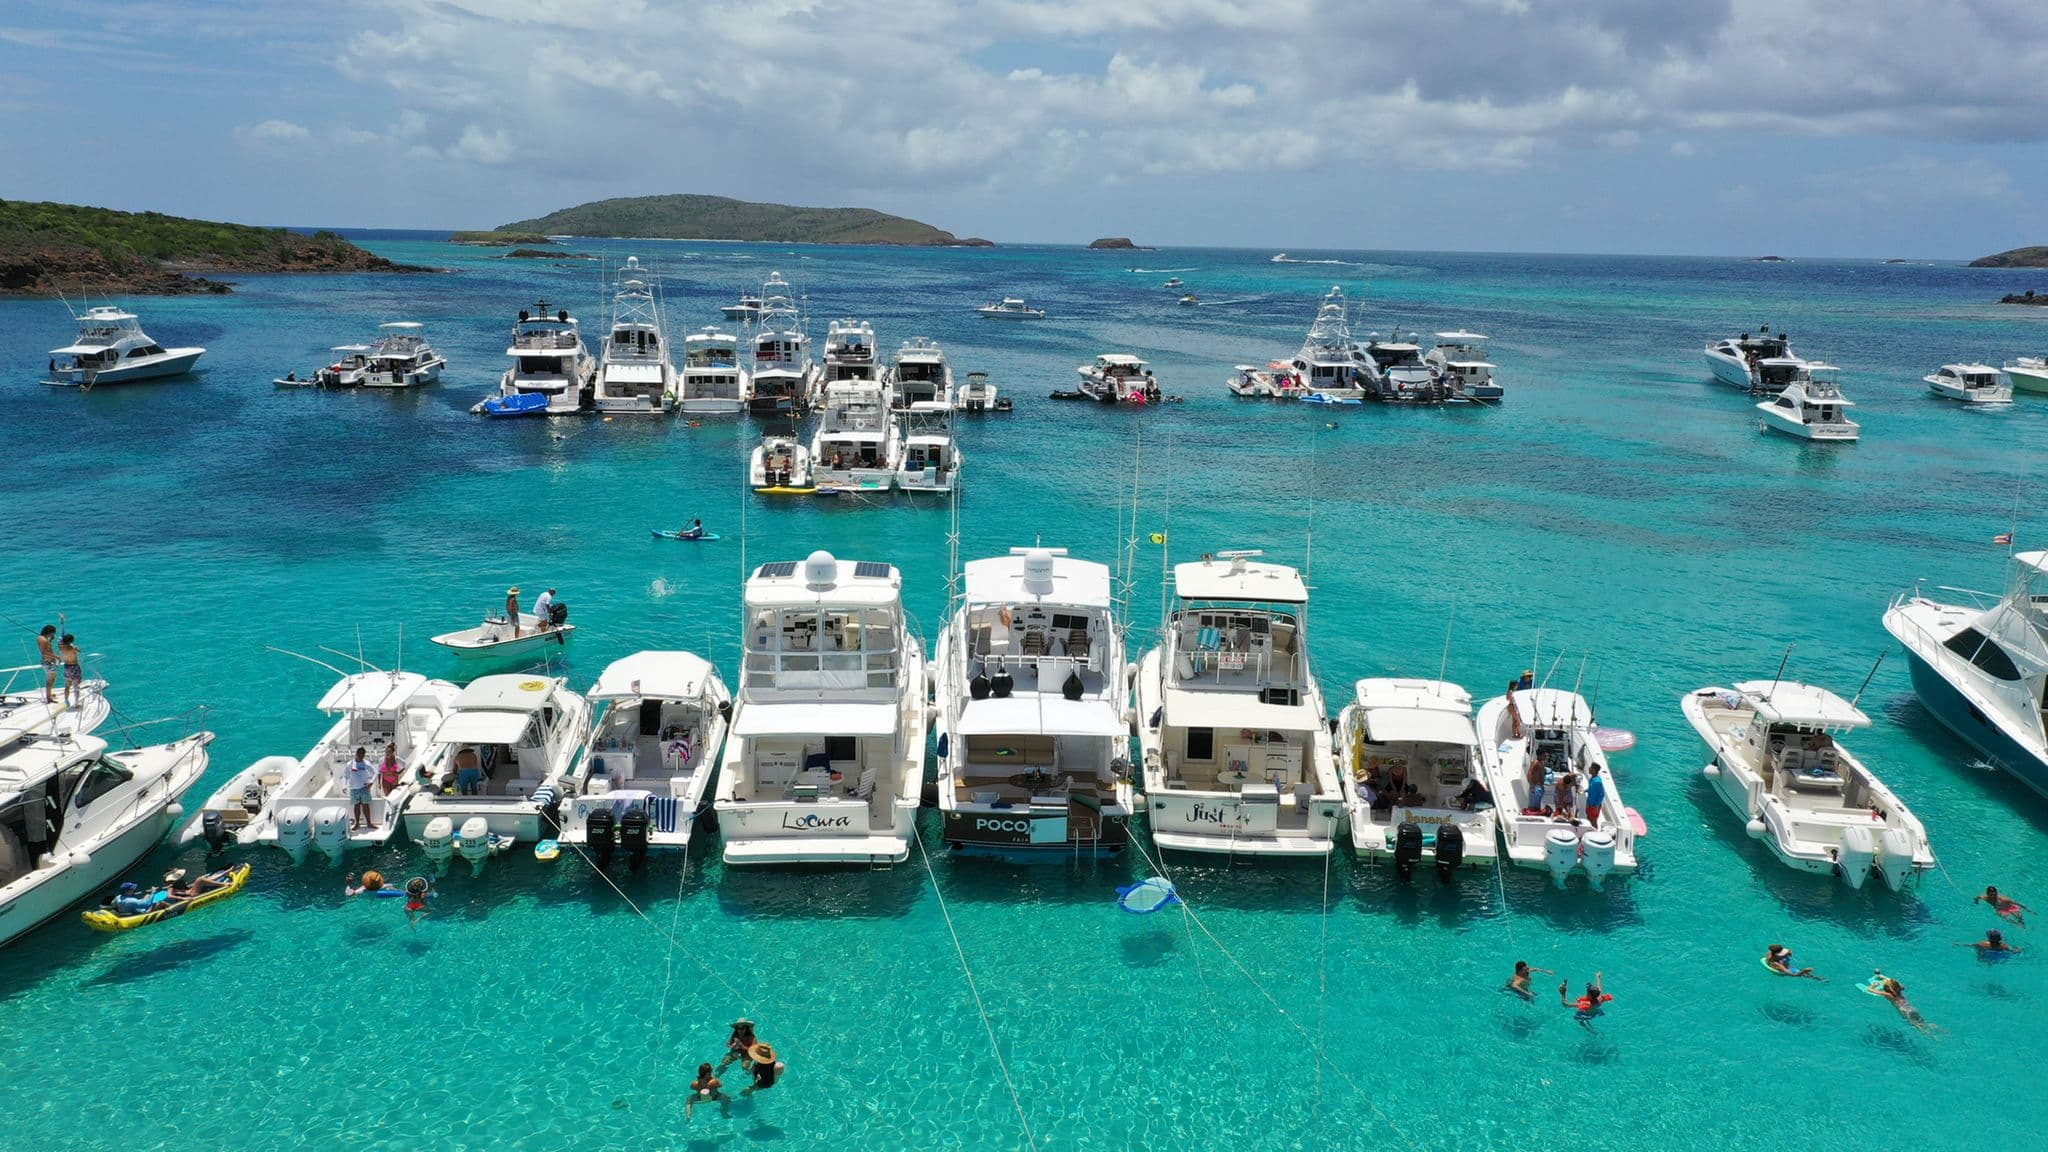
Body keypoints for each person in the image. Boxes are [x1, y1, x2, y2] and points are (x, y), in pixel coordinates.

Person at [1870, 972, 1935, 1034]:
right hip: (1911, 1008)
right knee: (1923, 1022)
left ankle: (1933, 1037)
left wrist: (1873, 985)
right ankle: (1938, 1028)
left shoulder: (1888, 994)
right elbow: (1895, 983)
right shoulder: (1900, 988)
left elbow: (1870, 990)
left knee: (1918, 1027)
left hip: (1904, 1011)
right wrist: (1882, 976)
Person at [345, 746, 377, 831]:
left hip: (364, 788)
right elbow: (346, 776)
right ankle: (357, 824)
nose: (361, 757)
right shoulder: (349, 764)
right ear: (356, 754)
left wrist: (371, 782)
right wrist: (345, 786)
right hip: (354, 789)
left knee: (366, 806)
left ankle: (369, 823)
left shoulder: (366, 763)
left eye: (362, 755)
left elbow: (375, 773)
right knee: (356, 806)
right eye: (359, 755)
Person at [58, 633, 82, 708]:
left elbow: (59, 642)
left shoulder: (61, 647)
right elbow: (79, 651)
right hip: (74, 667)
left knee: (67, 685)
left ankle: (66, 700)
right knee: (76, 685)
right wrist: (72, 644)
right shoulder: (73, 648)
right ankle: (76, 703)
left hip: (67, 667)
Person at [37, 625, 58, 705]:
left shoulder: (41, 638)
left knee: (52, 679)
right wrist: (57, 657)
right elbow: (44, 652)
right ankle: (48, 698)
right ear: (49, 632)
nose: (52, 634)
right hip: (48, 662)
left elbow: (46, 648)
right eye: (52, 633)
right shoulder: (44, 640)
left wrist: (50, 640)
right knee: (50, 680)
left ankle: (49, 694)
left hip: (47, 662)